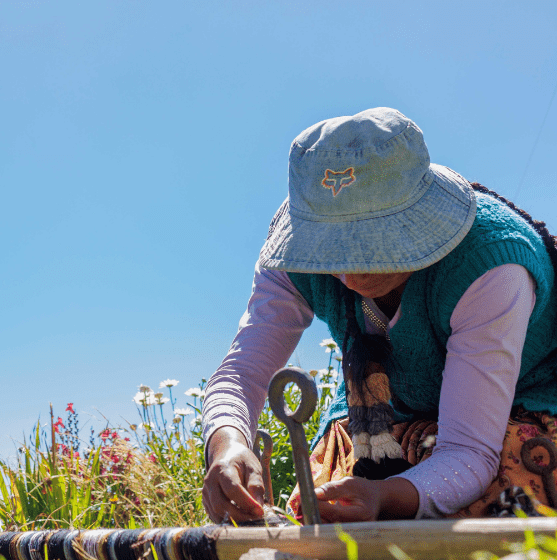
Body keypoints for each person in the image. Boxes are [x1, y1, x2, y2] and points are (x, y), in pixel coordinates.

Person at [201, 107, 557, 523]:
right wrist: (226, 443)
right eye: (331, 251)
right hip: (382, 418)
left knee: (506, 482)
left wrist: (386, 497)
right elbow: (242, 373)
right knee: (322, 512)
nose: (350, 275)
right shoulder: (293, 256)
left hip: (513, 413)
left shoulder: (492, 264)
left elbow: (469, 449)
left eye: (375, 245)